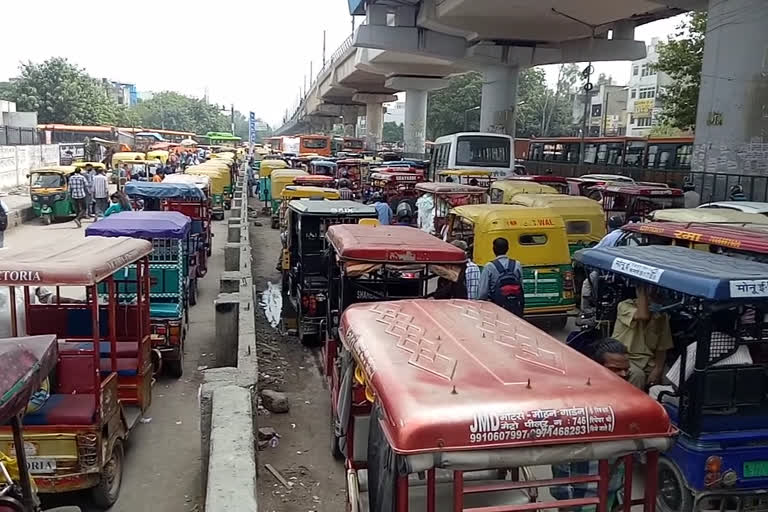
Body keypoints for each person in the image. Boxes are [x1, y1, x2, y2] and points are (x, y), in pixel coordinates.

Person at [551, 338, 629, 509]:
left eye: (625, 370)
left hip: (612, 485)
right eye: (616, 370)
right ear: (595, 368)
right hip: (578, 488)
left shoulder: (626, 396)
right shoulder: (574, 400)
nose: (623, 374)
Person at [612, 284, 673, 389]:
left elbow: (662, 347)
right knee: (637, 375)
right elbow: (643, 315)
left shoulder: (662, 316)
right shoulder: (625, 306)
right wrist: (642, 288)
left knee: (669, 377)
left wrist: (657, 370)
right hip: (626, 357)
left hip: (648, 361)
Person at [478, 237, 524, 316]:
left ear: (494, 249)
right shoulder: (517, 264)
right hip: (514, 307)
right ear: (507, 249)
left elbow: (482, 293)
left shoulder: (489, 267)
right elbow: (521, 287)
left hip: (496, 308)